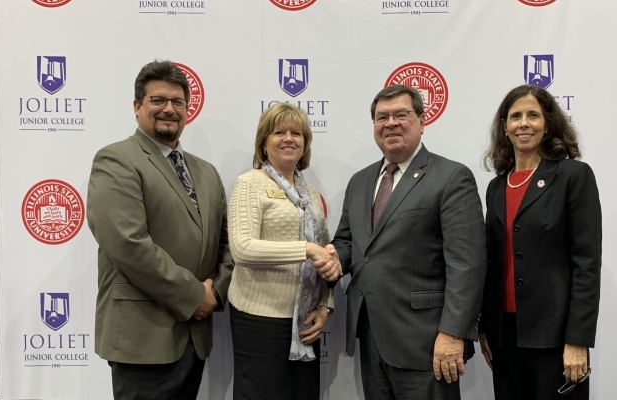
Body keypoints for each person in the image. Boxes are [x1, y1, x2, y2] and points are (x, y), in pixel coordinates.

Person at [323, 85, 487, 400]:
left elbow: (468, 265)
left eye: (402, 114)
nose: (391, 123)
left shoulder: (451, 177)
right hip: (371, 336)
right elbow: (348, 241)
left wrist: (453, 334)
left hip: (426, 342)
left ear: (422, 121)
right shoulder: (360, 182)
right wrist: (334, 259)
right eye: (382, 117)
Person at [86, 60, 234, 400]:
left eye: (177, 102)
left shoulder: (206, 172)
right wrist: (194, 296)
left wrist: (216, 291)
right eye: (158, 100)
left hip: (194, 338)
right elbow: (128, 245)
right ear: (137, 106)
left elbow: (228, 244)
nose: (169, 109)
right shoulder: (116, 160)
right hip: (142, 337)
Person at [478, 84, 602, 399]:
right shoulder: (496, 187)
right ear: (504, 127)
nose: (524, 123)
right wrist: (485, 327)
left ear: (547, 124)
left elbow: (586, 264)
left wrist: (578, 341)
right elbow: (491, 262)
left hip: (556, 340)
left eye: (533, 115)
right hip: (505, 337)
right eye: (515, 116)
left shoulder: (574, 176)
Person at [226, 102, 340, 400]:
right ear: (264, 142)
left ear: (305, 143)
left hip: (305, 319)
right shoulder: (249, 184)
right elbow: (242, 249)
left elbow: (325, 256)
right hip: (260, 320)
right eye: (279, 132)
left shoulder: (311, 193)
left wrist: (326, 306)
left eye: (296, 133)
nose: (289, 138)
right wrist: (306, 248)